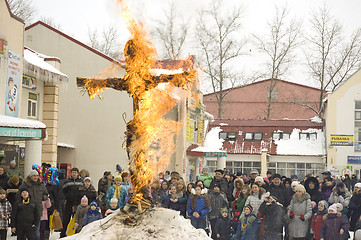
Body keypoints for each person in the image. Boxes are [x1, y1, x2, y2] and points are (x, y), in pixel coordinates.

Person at [18, 169, 48, 240]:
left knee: (36, 232)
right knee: (25, 233)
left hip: (38, 211)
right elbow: (18, 195)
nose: (35, 177)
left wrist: (42, 197)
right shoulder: (24, 185)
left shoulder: (41, 185)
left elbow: (46, 194)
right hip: (26, 212)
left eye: (37, 176)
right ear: (30, 176)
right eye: (34, 176)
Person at [60, 168, 83, 238]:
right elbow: (63, 191)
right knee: (66, 219)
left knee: (76, 220)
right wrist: (67, 197)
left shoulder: (81, 181)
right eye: (73, 172)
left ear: (78, 173)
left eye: (75, 172)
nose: (74, 174)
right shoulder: (67, 181)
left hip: (77, 203)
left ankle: (76, 234)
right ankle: (63, 234)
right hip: (69, 203)